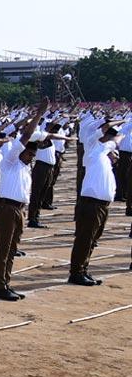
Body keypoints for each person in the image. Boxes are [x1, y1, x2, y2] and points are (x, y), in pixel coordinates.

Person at [0, 101, 50, 301]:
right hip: (6, 208)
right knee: (4, 248)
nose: (31, 158)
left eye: (33, 155)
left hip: (19, 209)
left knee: (13, 248)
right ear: (22, 151)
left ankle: (6, 282)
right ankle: (0, 286)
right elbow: (25, 136)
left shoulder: (25, 167)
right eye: (29, 154)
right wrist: (39, 115)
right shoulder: (10, 161)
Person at [68, 118, 125, 286]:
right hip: (91, 204)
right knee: (84, 239)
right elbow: (115, 136)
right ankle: (76, 273)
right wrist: (121, 120)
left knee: (92, 240)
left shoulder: (104, 155)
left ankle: (83, 269)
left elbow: (116, 139)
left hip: (101, 205)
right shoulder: (92, 146)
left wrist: (112, 155)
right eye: (108, 136)